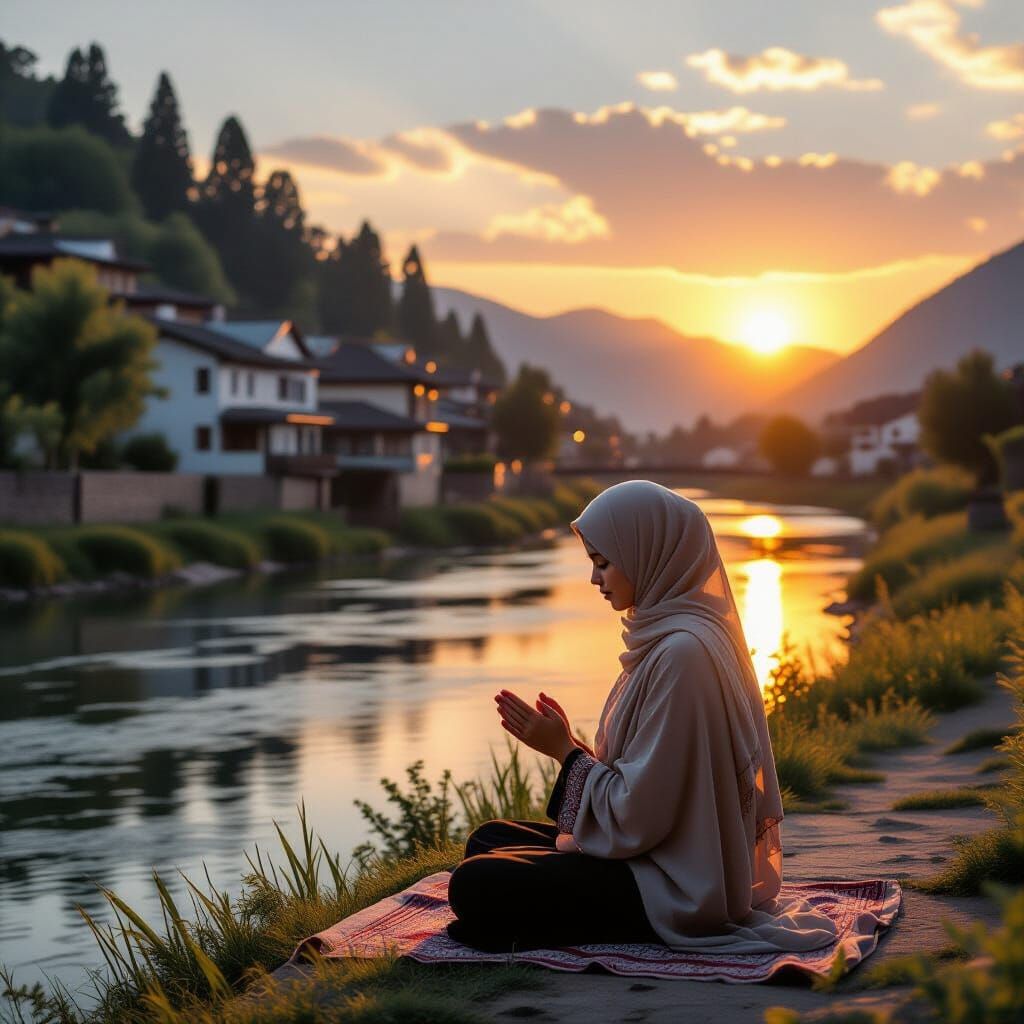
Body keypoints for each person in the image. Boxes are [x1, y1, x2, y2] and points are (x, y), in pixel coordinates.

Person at [445, 479, 840, 956]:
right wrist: (572, 750)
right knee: (487, 840)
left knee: (475, 882)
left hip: (673, 881)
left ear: (649, 555)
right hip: (655, 849)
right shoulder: (667, 638)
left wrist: (565, 753)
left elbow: (641, 814)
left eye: (604, 563)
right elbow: (651, 784)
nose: (596, 580)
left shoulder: (682, 653)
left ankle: (544, 924)